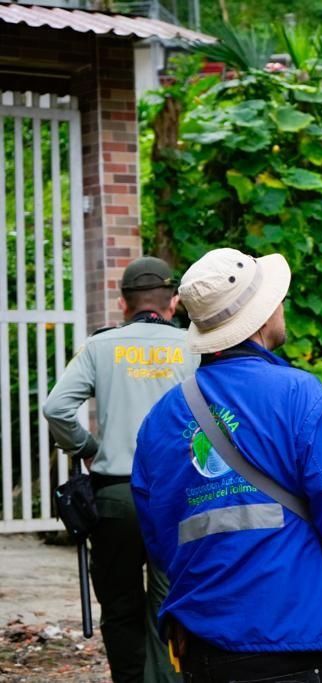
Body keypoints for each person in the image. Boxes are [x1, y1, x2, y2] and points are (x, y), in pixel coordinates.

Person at [131, 248, 322, 683]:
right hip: (297, 637)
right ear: (265, 315)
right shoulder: (301, 398)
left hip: (202, 648)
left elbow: (158, 540)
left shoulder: (160, 420)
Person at [44, 256, 196, 683]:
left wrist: (86, 446)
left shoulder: (100, 346)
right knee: (169, 605)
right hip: (176, 495)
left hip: (115, 494)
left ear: (123, 303)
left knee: (119, 604)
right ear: (174, 301)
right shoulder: (193, 347)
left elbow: (56, 407)